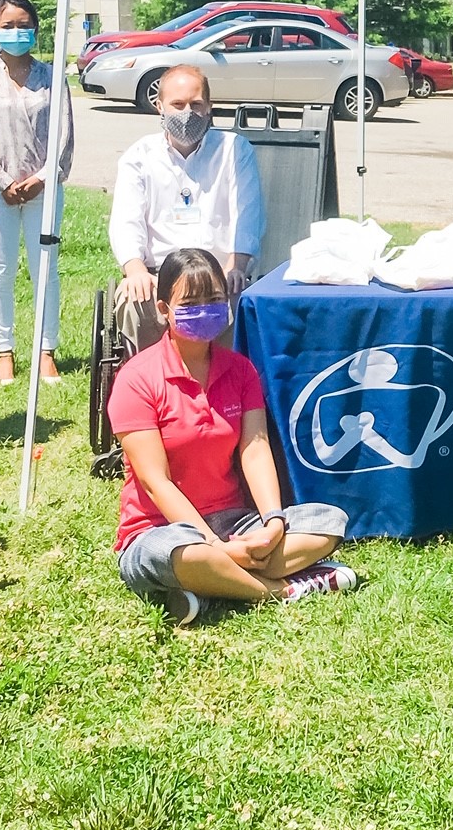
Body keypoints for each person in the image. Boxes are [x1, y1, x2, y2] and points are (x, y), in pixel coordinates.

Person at [108, 247, 355, 623]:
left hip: (235, 522)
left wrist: (272, 523)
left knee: (329, 521)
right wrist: (212, 545)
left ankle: (212, 586)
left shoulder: (240, 371)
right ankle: (279, 589)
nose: (205, 309)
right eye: (190, 302)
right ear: (163, 310)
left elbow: (254, 450)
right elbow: (155, 482)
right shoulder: (136, 379)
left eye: (215, 299)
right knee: (185, 555)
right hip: (161, 529)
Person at [109, 62, 263, 352]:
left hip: (219, 277)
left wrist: (237, 265)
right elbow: (126, 220)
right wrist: (135, 269)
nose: (187, 113)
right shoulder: (138, 157)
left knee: (242, 302)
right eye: (177, 104)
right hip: (159, 277)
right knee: (133, 301)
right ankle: (149, 382)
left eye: (196, 104)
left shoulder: (235, 150)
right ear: (160, 106)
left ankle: (225, 383)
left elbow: (248, 212)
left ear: (209, 107)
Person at [0, 0, 75, 386]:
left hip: (43, 188)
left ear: (36, 29)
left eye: (24, 25)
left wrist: (43, 176)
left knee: (46, 270)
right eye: (8, 25)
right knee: (0, 270)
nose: (17, 32)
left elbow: (63, 133)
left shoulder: (52, 75)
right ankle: (4, 352)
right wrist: (3, 181)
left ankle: (46, 351)